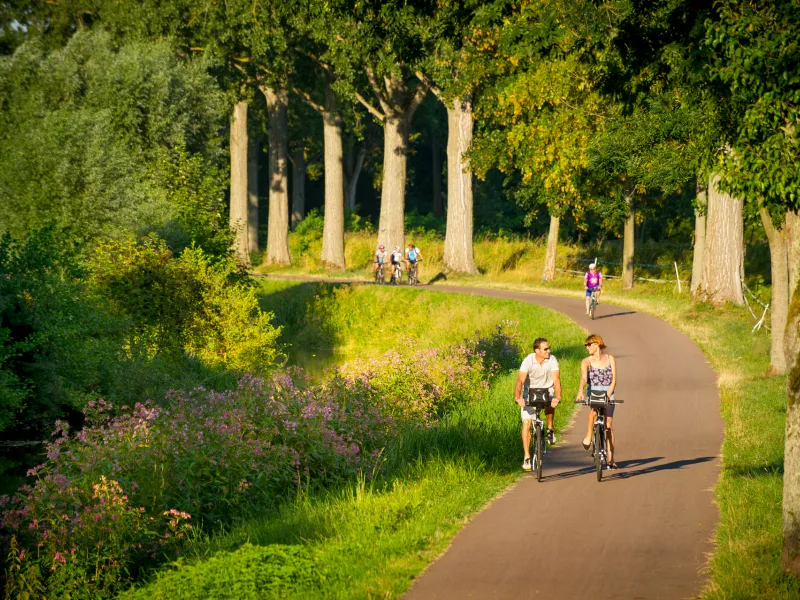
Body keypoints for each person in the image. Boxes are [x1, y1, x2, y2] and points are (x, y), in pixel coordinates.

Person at [514, 338, 562, 472]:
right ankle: (527, 456)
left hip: (547, 390)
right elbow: (520, 381)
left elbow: (556, 379)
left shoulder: (552, 360)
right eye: (545, 349)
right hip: (530, 393)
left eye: (549, 348)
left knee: (550, 405)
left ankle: (550, 429)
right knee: (527, 423)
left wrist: (558, 397)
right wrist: (518, 398)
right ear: (537, 350)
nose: (549, 351)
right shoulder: (528, 361)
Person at [576, 333, 618, 469]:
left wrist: (608, 394)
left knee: (608, 424)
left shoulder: (610, 358)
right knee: (593, 412)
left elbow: (614, 380)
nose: (586, 347)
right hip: (593, 392)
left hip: (608, 392)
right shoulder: (586, 361)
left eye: (588, 345)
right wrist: (581, 391)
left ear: (596, 344)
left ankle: (611, 459)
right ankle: (589, 435)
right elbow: (583, 378)